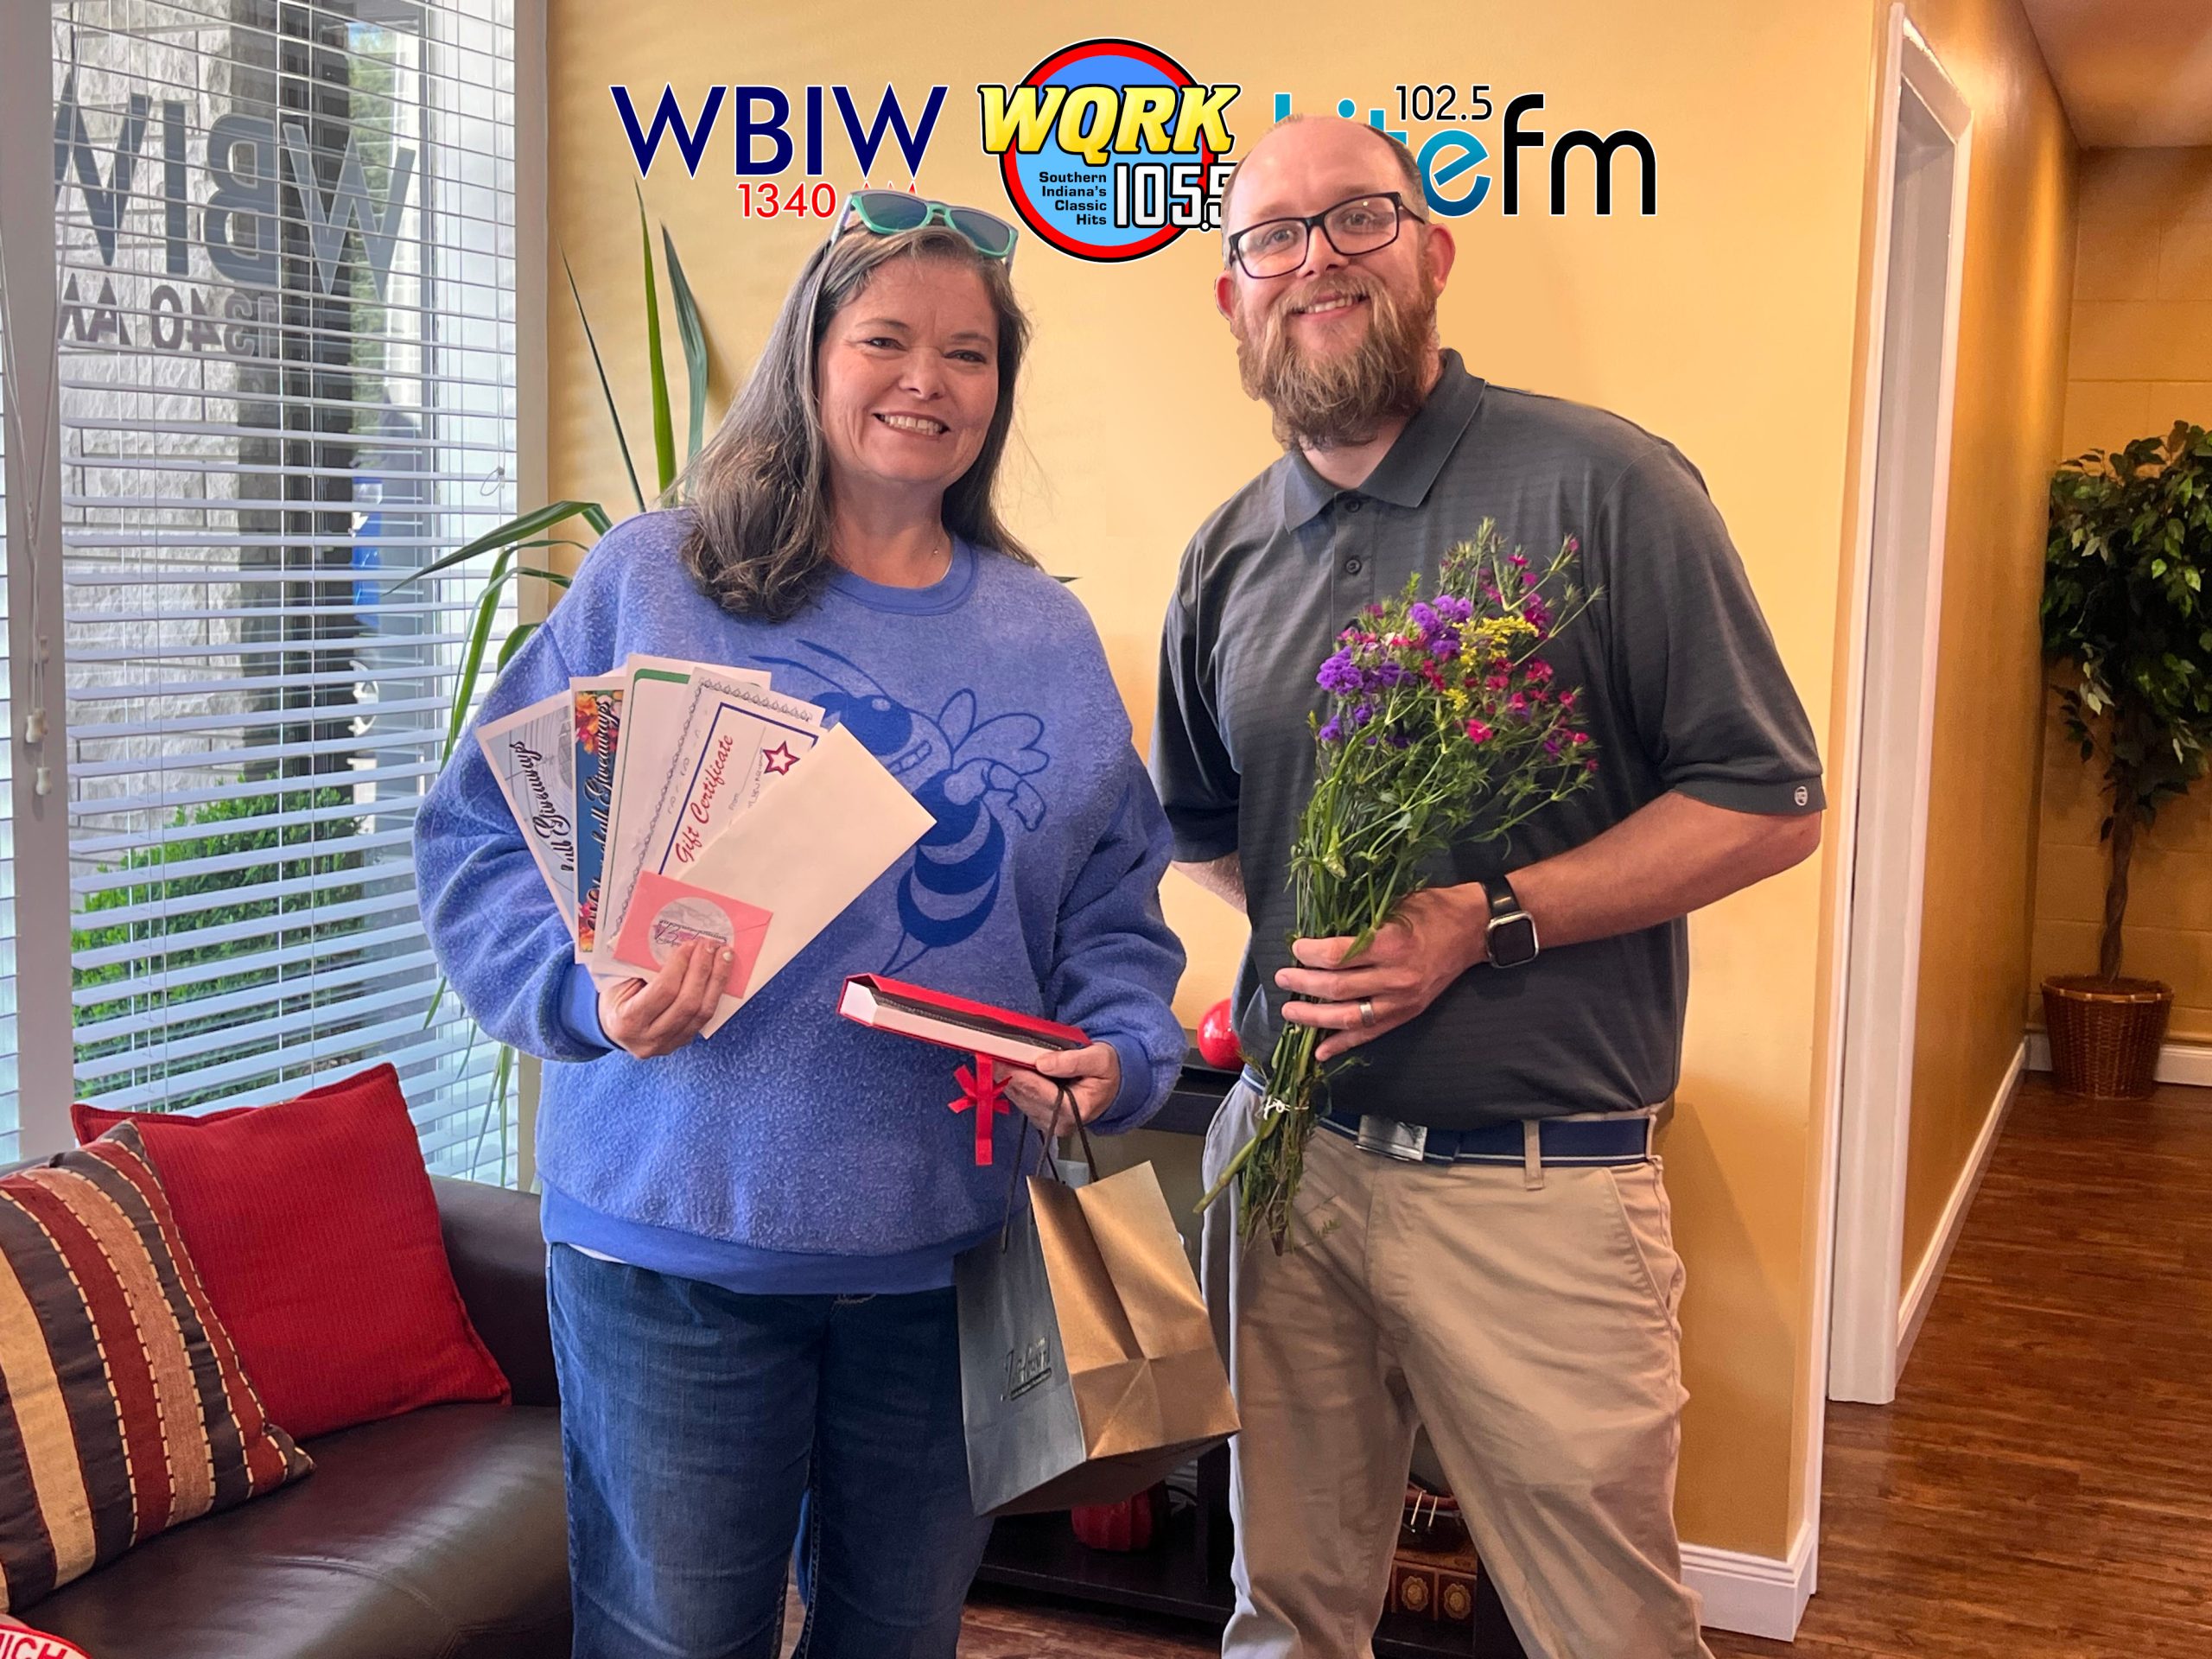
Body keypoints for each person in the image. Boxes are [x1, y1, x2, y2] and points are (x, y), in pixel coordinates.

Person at [416, 194, 1187, 1659]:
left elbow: (1112, 905)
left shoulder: (1043, 633)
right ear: (810, 356)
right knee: (675, 1642)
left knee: (900, 1637)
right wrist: (580, 995)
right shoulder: (655, 579)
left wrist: (1120, 1048)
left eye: (968, 353)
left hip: (947, 1254)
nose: (925, 380)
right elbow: (480, 838)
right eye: (885, 338)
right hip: (671, 1251)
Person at [1153, 117, 1825, 1659]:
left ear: (1433, 253)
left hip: (1537, 1189)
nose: (1315, 261)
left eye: (1359, 220)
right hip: (1288, 1167)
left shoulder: (1606, 487)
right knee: (1285, 1612)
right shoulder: (1227, 554)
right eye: (1271, 238)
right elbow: (1202, 828)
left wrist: (1482, 920)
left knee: (1607, 1631)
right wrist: (1322, 937)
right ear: (1233, 296)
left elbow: (1767, 800)